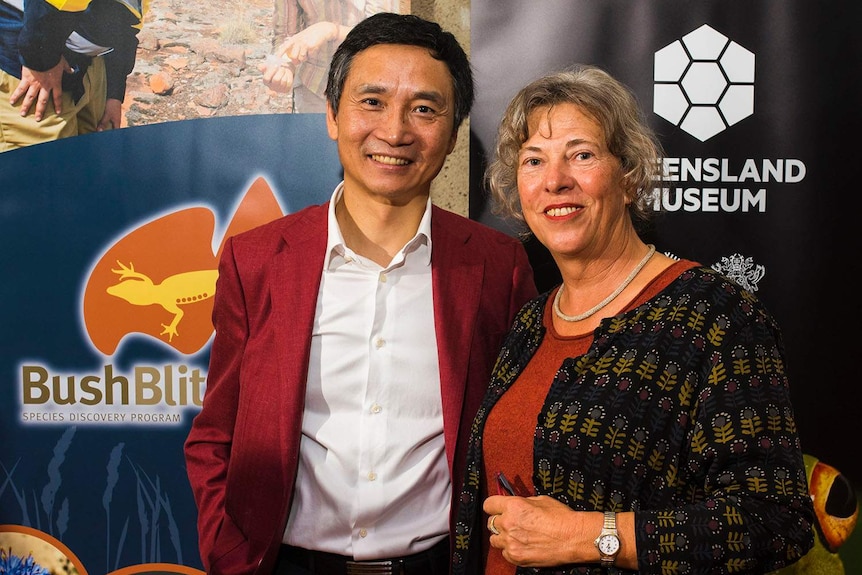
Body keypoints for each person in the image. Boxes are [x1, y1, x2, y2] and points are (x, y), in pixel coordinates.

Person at [184, 12, 538, 575]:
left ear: (452, 132)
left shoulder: (498, 267)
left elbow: (517, 434)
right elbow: (216, 434)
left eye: (424, 109)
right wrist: (230, 553)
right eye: (371, 101)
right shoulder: (256, 260)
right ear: (331, 114)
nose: (395, 131)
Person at [452, 66, 816, 574]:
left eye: (581, 155)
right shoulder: (532, 322)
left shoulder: (716, 317)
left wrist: (589, 535)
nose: (555, 181)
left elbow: (775, 522)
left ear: (629, 178)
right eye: (534, 160)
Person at [0, 0, 144, 152]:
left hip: (92, 65)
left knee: (89, 162)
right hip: (35, 65)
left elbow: (127, 15)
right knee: (43, 168)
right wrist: (39, 59)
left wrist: (114, 88)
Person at [258, 0, 400, 113]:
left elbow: (385, 33)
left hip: (369, 87)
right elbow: (285, 34)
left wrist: (331, 30)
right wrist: (284, 67)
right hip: (313, 89)